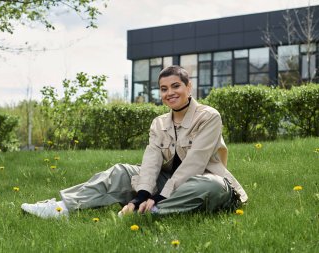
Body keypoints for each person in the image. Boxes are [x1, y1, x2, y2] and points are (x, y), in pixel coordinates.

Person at [21, 65, 248, 219]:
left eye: (176, 86)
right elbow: (151, 161)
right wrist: (142, 193)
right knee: (121, 171)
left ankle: (152, 209)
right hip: (168, 179)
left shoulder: (209, 117)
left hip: (202, 180)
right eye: (164, 89)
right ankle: (62, 207)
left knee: (211, 186)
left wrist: (158, 195)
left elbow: (195, 164)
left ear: (189, 87)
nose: (170, 93)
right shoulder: (158, 123)